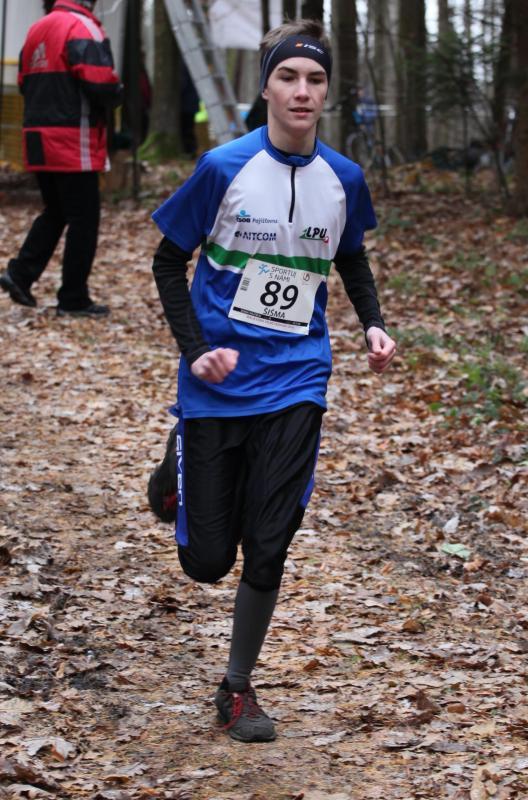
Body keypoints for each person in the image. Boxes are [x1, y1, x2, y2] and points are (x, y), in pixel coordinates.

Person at [148, 18, 396, 743]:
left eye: (315, 79)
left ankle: (236, 688)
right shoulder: (223, 168)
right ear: (266, 87)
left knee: (270, 541)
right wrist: (196, 351)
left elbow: (351, 256)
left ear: (327, 91)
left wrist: (372, 324)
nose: (302, 90)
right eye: (288, 76)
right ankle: (178, 459)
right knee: (205, 562)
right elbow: (167, 262)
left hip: (297, 378)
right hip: (217, 382)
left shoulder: (343, 178)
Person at [0, 0, 122, 317]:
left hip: (38, 136)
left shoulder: (36, 29)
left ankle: (20, 274)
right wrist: (117, 93)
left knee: (56, 210)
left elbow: (24, 82)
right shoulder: (82, 26)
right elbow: (99, 83)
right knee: (84, 219)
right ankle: (73, 298)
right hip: (72, 138)